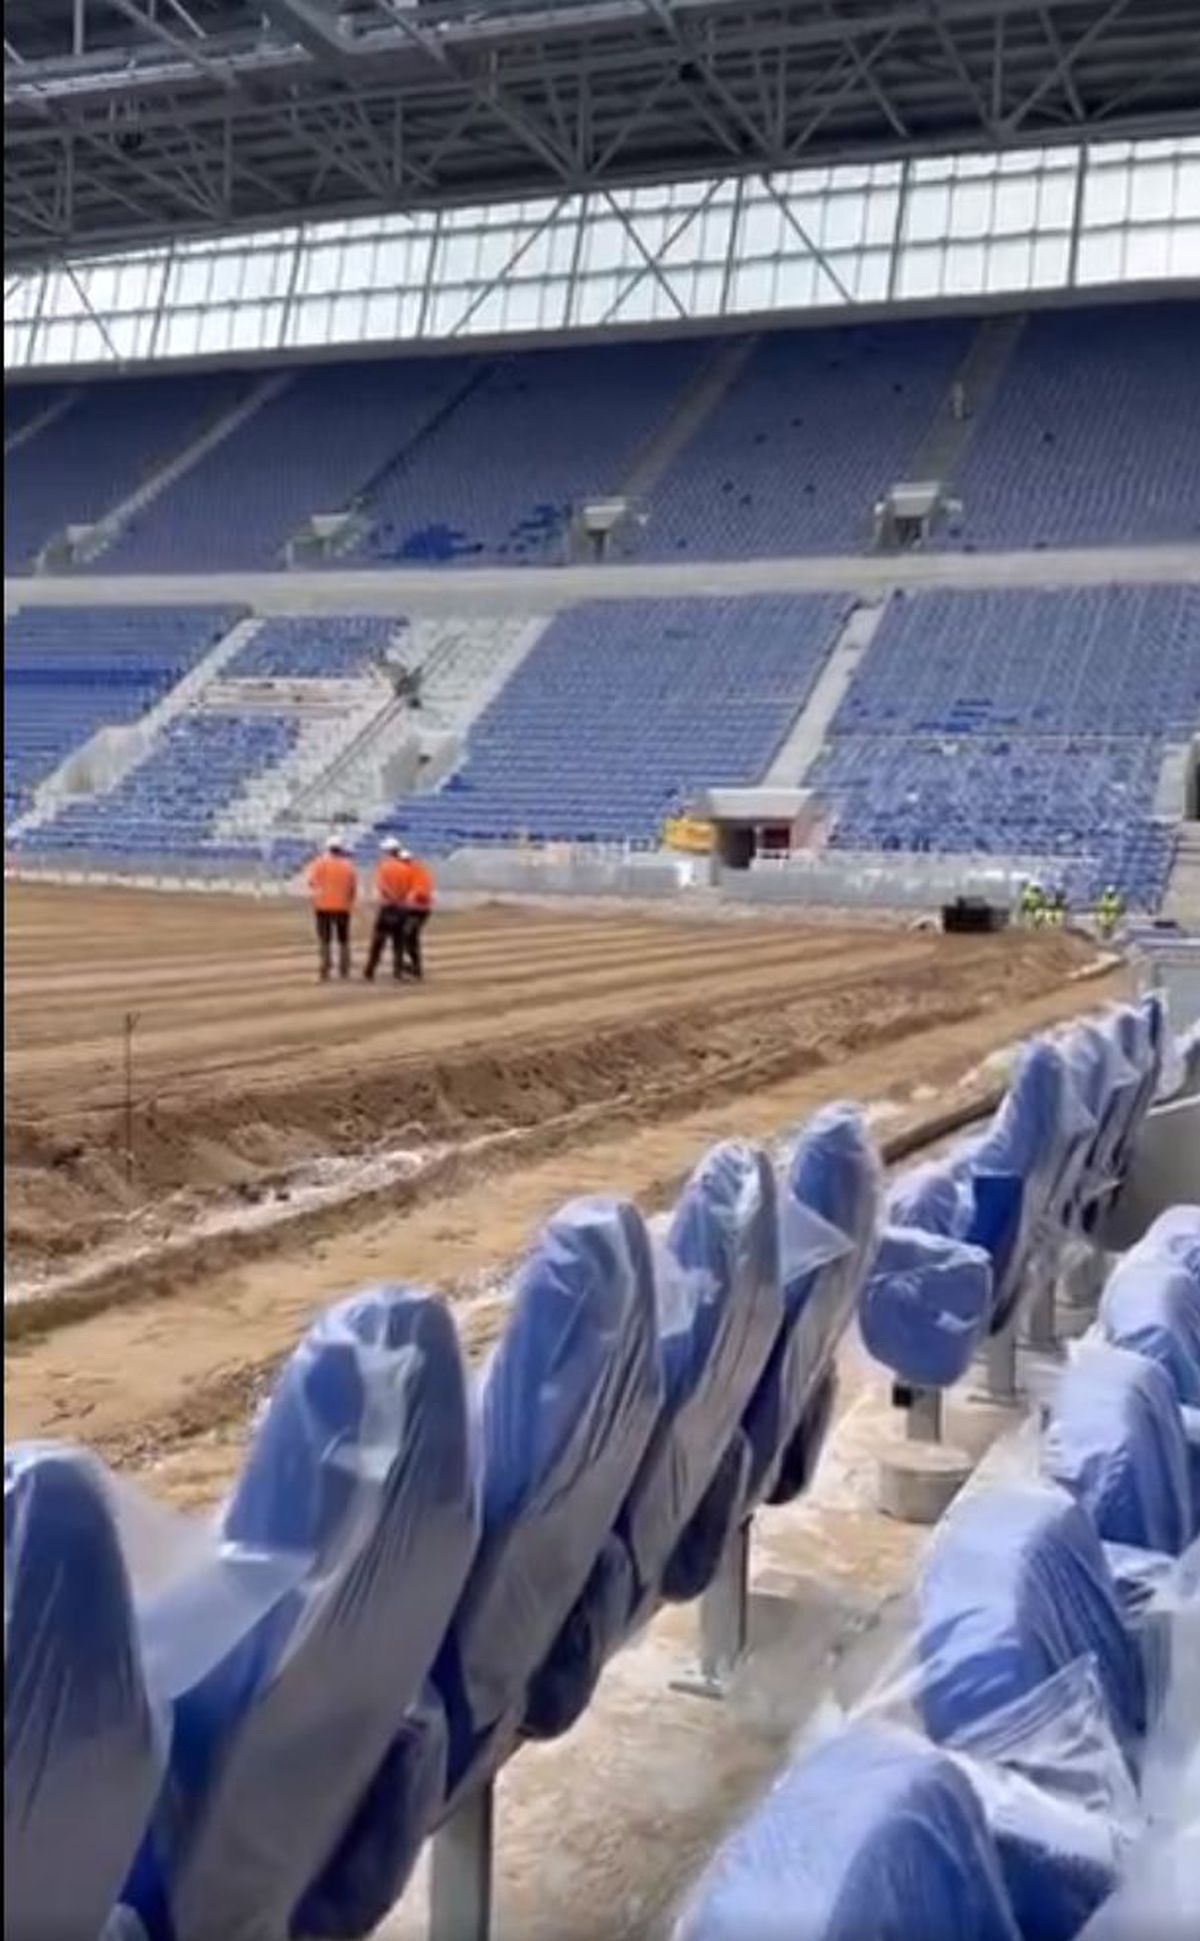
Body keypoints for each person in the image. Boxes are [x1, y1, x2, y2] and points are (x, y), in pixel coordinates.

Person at [306, 838, 357, 982]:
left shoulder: (319, 863)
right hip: (343, 906)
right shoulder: (348, 866)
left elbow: (311, 883)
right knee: (343, 939)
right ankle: (344, 968)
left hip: (323, 906)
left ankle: (325, 967)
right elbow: (352, 888)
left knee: (325, 938)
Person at [364, 837, 412, 983]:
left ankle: (370, 970)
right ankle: (398, 972)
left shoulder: (383, 867)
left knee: (378, 941)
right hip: (402, 908)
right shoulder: (406, 868)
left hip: (387, 907)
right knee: (399, 942)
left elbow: (382, 887)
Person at [402, 848, 435, 981]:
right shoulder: (418, 870)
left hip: (417, 909)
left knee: (407, 935)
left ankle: (413, 966)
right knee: (410, 938)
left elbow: (419, 892)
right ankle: (415, 967)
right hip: (420, 909)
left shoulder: (414, 872)